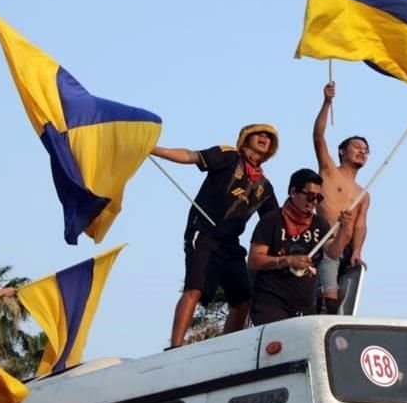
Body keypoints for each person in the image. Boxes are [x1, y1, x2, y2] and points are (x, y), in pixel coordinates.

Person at [151, 124, 279, 348]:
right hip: (204, 231)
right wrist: (153, 149)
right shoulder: (228, 156)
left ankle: (225, 350)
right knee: (195, 288)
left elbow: (275, 223)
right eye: (259, 133)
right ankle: (175, 347)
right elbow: (192, 156)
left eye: (269, 137)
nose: (264, 138)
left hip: (230, 243)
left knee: (243, 301)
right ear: (245, 139)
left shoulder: (264, 187)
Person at [248, 169, 352, 325]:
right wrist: (287, 261)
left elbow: (333, 252)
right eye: (310, 196)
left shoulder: (319, 224)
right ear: (293, 192)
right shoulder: (272, 220)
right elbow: (254, 260)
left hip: (304, 306)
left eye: (318, 197)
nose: (314, 202)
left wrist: (344, 229)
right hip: (271, 303)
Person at [313, 82, 371, 312]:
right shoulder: (329, 171)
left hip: (347, 250)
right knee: (328, 296)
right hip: (326, 241)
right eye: (357, 146)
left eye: (366, 150)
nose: (362, 151)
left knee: (344, 299)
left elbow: (360, 225)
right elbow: (318, 137)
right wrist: (327, 103)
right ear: (342, 151)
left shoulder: (363, 193)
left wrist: (357, 250)